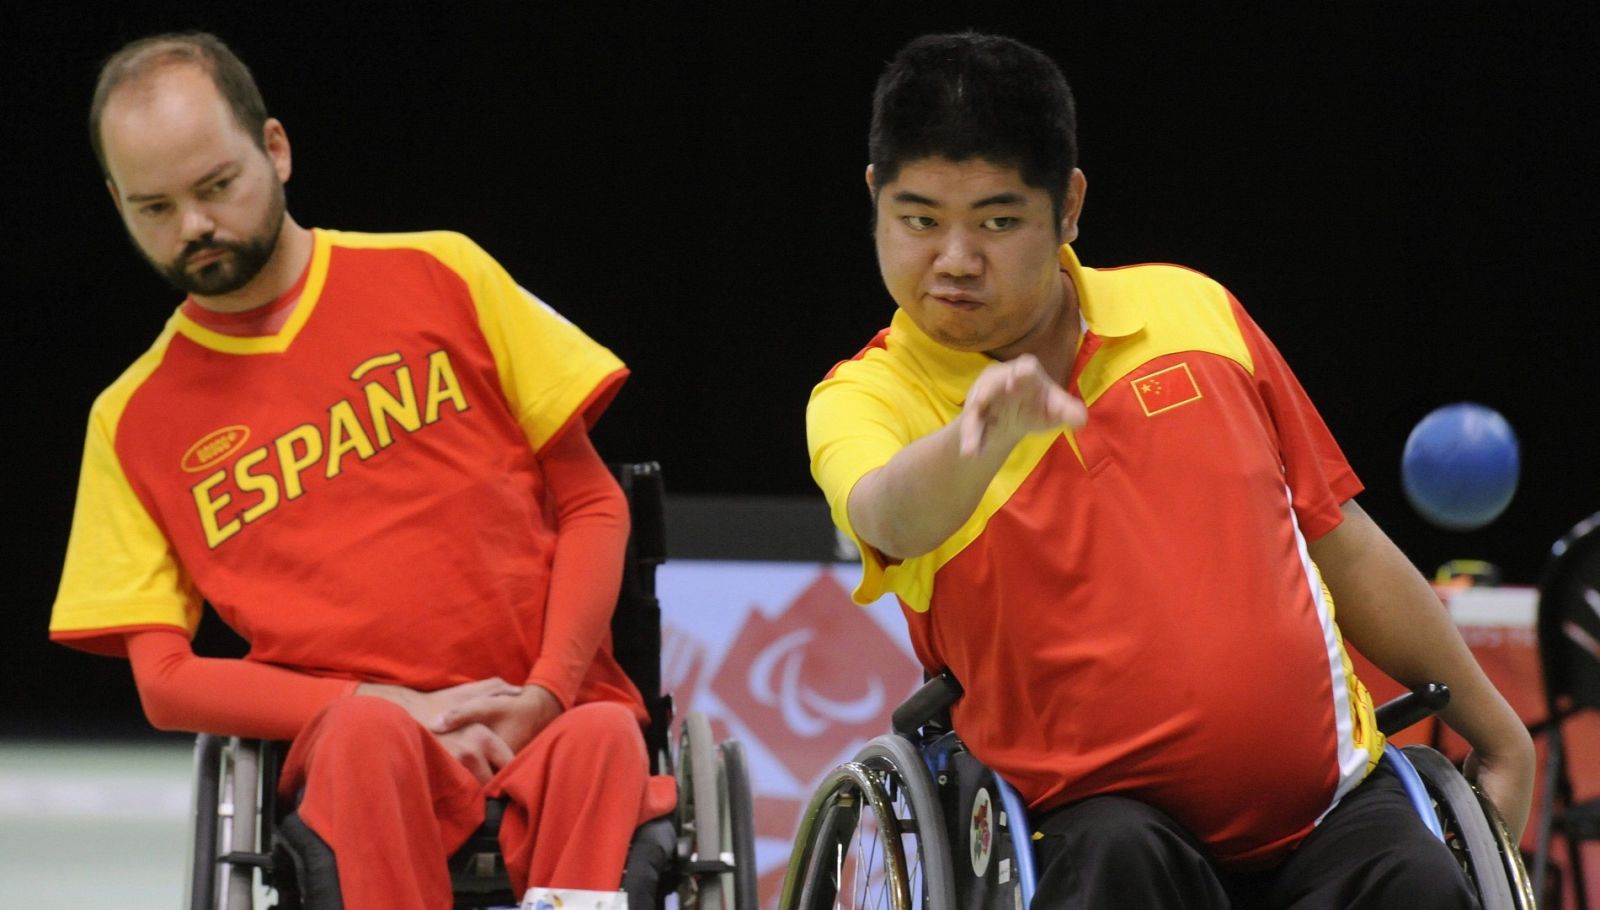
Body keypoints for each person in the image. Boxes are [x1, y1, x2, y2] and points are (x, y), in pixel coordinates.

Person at [806, 32, 1535, 908]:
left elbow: (1337, 537)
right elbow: (888, 516)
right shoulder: (866, 398)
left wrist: (1499, 733)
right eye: (920, 220)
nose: (955, 259)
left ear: (1068, 208)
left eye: (998, 222)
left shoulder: (1195, 311)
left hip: (1328, 811)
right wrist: (978, 439)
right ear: (875, 200)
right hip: (1097, 835)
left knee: (1418, 880)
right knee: (1116, 858)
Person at [49, 32, 673, 909]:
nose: (193, 226)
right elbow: (164, 682)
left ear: (275, 148)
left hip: (549, 712)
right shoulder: (130, 419)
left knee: (605, 734)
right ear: (117, 201)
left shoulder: (442, 271)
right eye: (155, 207)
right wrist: (385, 702)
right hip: (357, 745)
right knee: (365, 736)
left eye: (216, 186)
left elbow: (593, 502)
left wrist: (543, 693)